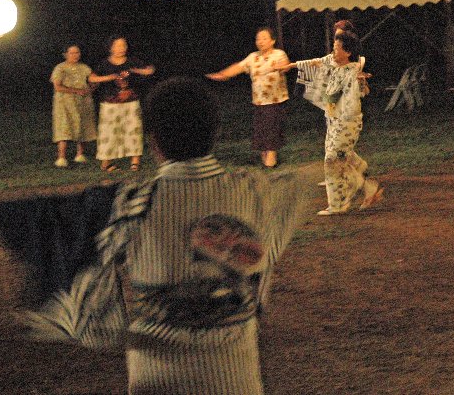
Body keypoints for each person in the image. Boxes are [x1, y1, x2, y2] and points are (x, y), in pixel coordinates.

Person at [25, 77, 313, 395]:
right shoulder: (256, 190)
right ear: (215, 133)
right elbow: (303, 184)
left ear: (153, 141)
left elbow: (96, 321)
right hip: (235, 380)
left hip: (156, 379)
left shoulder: (130, 203)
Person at [280, 31, 383, 215]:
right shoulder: (334, 62)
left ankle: (339, 204)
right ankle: (366, 185)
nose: (333, 52)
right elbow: (317, 61)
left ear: (348, 52)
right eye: (333, 48)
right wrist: (291, 65)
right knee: (342, 158)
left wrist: (360, 83)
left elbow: (357, 89)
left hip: (347, 123)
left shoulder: (351, 71)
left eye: (337, 49)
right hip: (334, 121)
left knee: (332, 160)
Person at [206, 27, 290, 168]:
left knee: (272, 129)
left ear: (272, 40)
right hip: (258, 102)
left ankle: (271, 159)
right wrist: (222, 75)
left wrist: (282, 66)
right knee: (261, 130)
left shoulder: (278, 54)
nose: (260, 41)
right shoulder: (253, 57)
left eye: (264, 38)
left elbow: (286, 65)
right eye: (258, 39)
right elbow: (238, 67)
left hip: (275, 101)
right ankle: (266, 158)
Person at [88, 36, 154, 172]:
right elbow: (92, 77)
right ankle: (106, 163)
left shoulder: (132, 61)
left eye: (123, 45)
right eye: (117, 46)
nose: (121, 48)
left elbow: (150, 70)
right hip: (110, 104)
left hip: (130, 103)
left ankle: (135, 162)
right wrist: (109, 77)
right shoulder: (104, 64)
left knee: (133, 130)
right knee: (109, 133)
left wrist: (137, 71)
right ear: (110, 47)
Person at [50, 44, 97, 167]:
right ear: (66, 54)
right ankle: (61, 157)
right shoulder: (60, 68)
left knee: (83, 125)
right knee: (64, 127)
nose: (75, 55)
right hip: (65, 102)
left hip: (82, 101)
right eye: (72, 53)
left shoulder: (84, 67)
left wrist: (92, 88)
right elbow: (57, 86)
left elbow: (94, 79)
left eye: (77, 53)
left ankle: (80, 154)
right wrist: (75, 91)